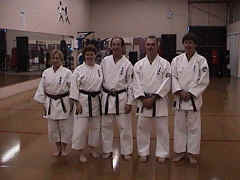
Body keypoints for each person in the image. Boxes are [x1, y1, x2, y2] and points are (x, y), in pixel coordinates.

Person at [171, 32, 210, 164]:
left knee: (194, 127)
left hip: (193, 99)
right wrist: (179, 91)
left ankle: (192, 153)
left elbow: (204, 80)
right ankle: (181, 152)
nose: (188, 45)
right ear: (183, 44)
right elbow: (173, 77)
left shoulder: (201, 61)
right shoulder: (176, 60)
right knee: (179, 127)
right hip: (180, 98)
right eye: (186, 42)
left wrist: (191, 93)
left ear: (195, 45)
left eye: (190, 43)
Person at [133, 36, 171, 163]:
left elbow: (167, 82)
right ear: (145, 46)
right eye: (148, 44)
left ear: (157, 46)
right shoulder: (138, 65)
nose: (150, 47)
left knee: (162, 129)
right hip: (143, 100)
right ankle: (143, 152)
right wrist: (144, 99)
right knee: (142, 128)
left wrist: (154, 97)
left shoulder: (165, 64)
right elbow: (135, 83)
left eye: (153, 44)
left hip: (159, 100)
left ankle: (162, 153)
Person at [33, 49, 73, 156]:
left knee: (65, 127)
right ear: (50, 60)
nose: (55, 60)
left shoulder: (67, 72)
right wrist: (43, 104)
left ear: (61, 60)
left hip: (63, 102)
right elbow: (42, 89)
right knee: (53, 128)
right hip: (50, 102)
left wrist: (72, 103)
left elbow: (72, 89)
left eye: (57, 58)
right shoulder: (46, 72)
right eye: (53, 58)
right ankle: (58, 148)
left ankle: (64, 149)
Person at [101, 37, 134, 160]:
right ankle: (107, 150)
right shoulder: (105, 61)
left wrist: (130, 102)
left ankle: (127, 151)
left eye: (118, 45)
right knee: (106, 126)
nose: (115, 47)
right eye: (113, 44)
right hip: (106, 97)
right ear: (111, 46)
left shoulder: (127, 64)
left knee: (124, 127)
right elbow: (100, 80)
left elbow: (131, 84)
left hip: (121, 98)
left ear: (122, 47)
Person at [70, 45, 103, 163]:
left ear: (95, 55)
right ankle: (80, 153)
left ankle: (93, 149)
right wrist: (76, 102)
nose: (89, 56)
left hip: (95, 102)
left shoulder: (99, 68)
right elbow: (74, 87)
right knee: (81, 129)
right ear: (84, 56)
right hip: (82, 101)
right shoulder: (78, 70)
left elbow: (102, 86)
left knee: (95, 127)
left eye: (92, 54)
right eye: (87, 54)